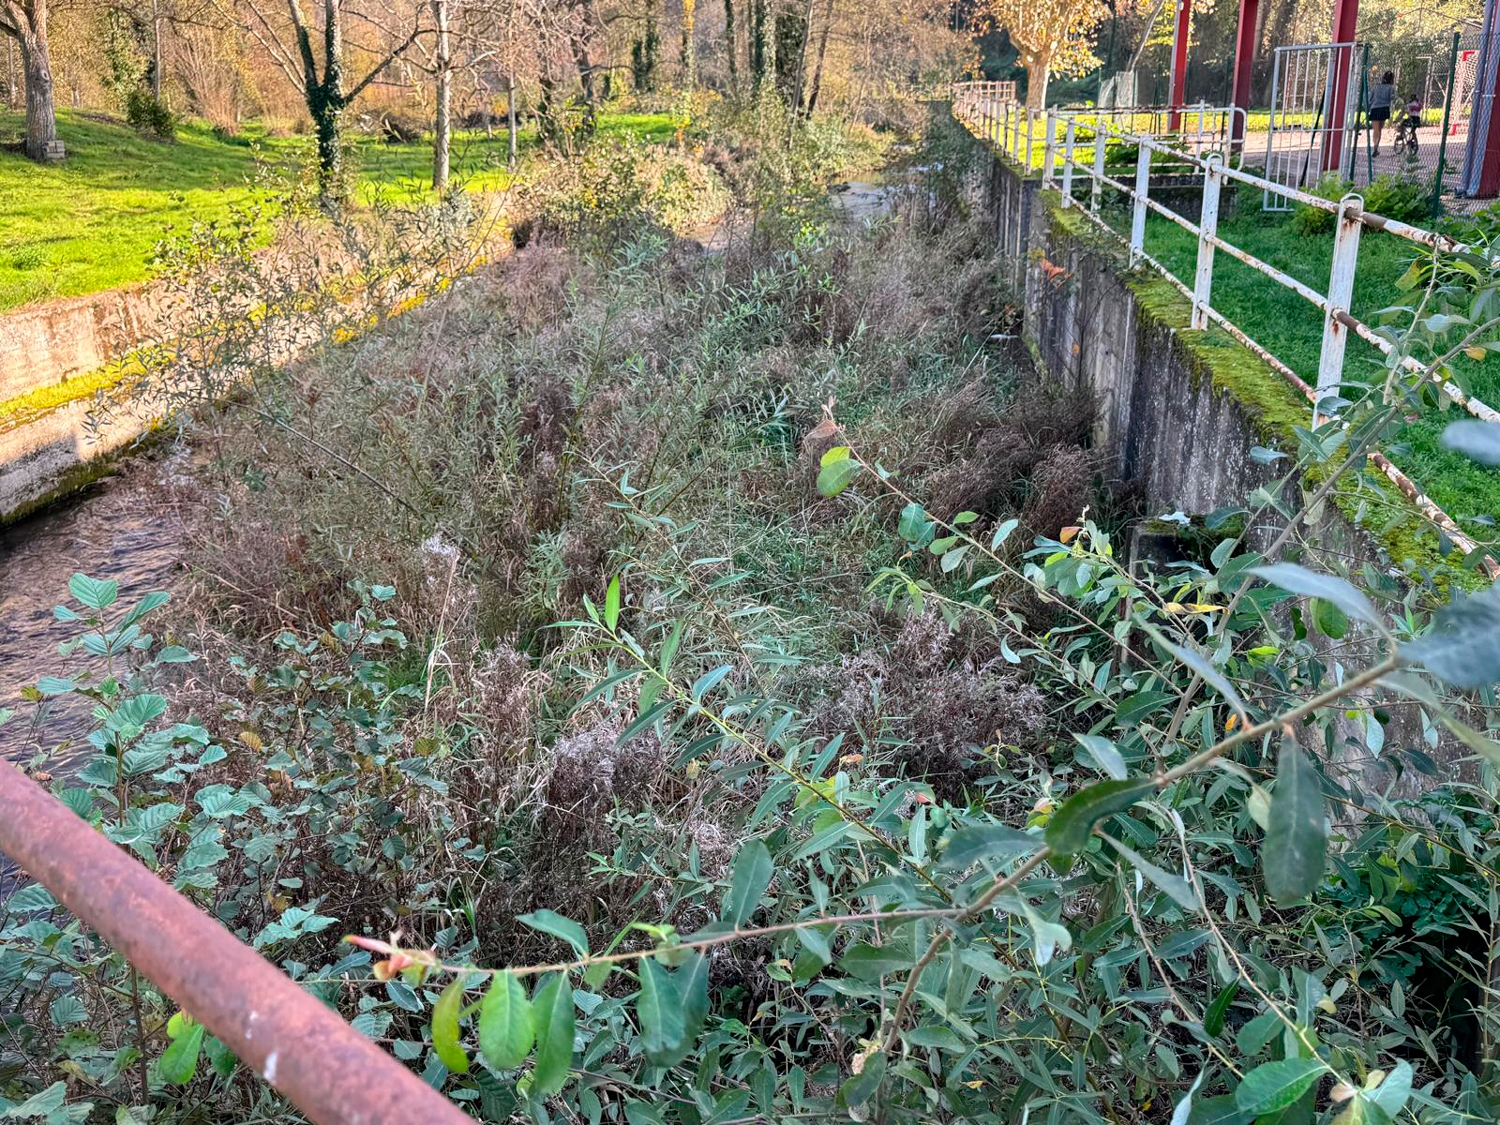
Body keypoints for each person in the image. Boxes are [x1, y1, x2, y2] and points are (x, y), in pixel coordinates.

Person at [1369, 70, 1396, 156]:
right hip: (1384, 109)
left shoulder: (1376, 86)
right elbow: (1392, 98)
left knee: (1375, 130)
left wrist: (1369, 106)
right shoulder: (1391, 88)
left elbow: (1371, 97)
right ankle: (1376, 147)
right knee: (1380, 129)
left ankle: (1375, 146)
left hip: (1375, 108)